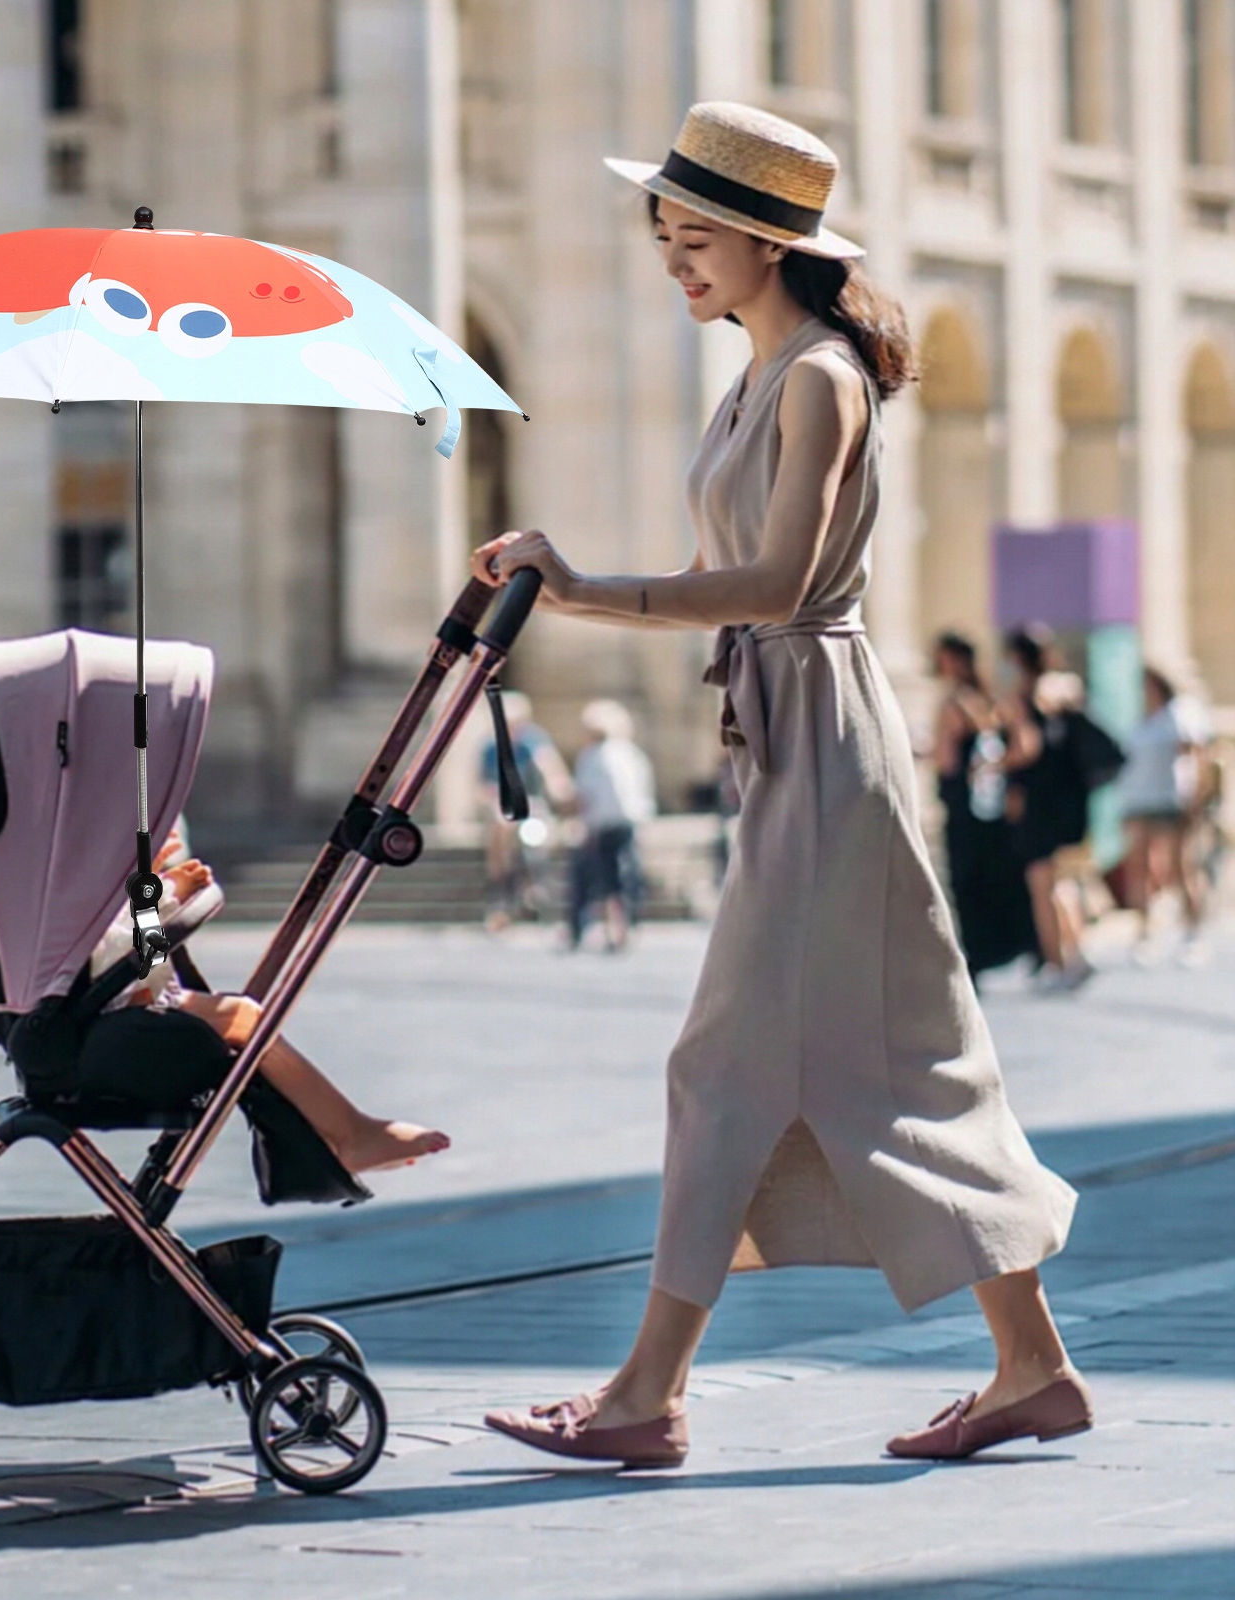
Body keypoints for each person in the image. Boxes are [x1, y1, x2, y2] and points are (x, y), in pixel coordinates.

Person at [475, 102, 1086, 1468]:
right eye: (664, 237)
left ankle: (645, 1397)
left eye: (696, 239)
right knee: (898, 1061)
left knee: (732, 1066)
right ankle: (1031, 1366)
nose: (674, 262)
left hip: (824, 730)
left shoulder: (817, 376)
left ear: (767, 243)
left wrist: (579, 588)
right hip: (786, 738)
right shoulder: (756, 374)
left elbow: (783, 586)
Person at [83, 841, 450, 1176]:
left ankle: (341, 1135)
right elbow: (132, 965)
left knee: (243, 1019)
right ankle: (348, 1135)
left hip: (89, 1012)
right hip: (96, 1020)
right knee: (244, 1019)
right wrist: (159, 897)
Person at [931, 633, 1039, 982]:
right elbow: (1025, 745)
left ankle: (975, 958)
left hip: (964, 807)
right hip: (994, 810)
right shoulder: (993, 702)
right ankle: (1018, 946)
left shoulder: (954, 705)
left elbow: (945, 761)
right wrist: (999, 767)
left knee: (966, 884)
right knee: (1000, 878)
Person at [998, 627, 1094, 991]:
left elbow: (1026, 747)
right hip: (1066, 800)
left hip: (1035, 802)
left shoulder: (1021, 695)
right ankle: (1078, 955)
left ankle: (1056, 963)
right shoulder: (1065, 687)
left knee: (1042, 885)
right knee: (1062, 881)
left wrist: (998, 764)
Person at [1117, 666, 1213, 961]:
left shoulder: (1179, 713)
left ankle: (1193, 932)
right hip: (1138, 800)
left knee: (1180, 866)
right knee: (1141, 869)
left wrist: (1198, 796)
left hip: (1171, 800)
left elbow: (1198, 755)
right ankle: (1147, 933)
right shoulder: (1141, 719)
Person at [566, 699, 656, 951]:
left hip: (602, 824)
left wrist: (583, 824)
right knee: (623, 875)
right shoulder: (630, 753)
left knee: (605, 877)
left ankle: (610, 928)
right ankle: (621, 926)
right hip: (627, 821)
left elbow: (586, 796)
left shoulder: (591, 756)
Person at [480, 691, 573, 930]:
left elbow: (550, 768)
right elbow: (483, 784)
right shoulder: (491, 746)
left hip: (532, 804)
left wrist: (560, 790)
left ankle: (533, 886)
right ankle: (501, 893)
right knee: (501, 829)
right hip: (504, 807)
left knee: (536, 834)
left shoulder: (533, 741)